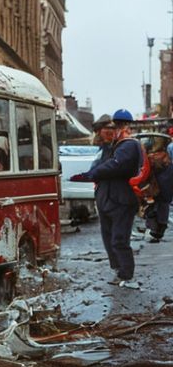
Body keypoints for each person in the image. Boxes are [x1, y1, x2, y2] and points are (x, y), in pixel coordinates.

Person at [70, 109, 141, 287]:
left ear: (128, 126)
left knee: (119, 239)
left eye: (120, 125)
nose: (116, 128)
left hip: (122, 200)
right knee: (109, 239)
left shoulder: (129, 145)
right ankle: (118, 270)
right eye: (114, 125)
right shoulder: (113, 146)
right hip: (107, 198)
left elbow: (114, 166)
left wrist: (90, 175)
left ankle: (126, 275)